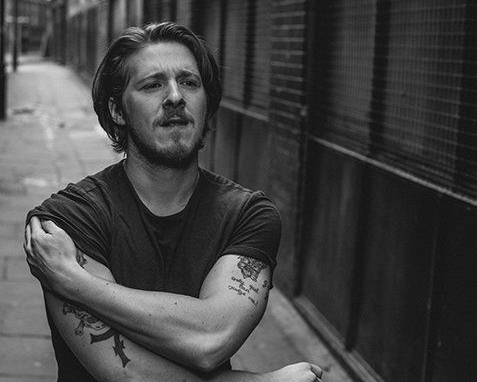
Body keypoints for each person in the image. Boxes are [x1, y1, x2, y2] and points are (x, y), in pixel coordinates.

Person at [24, 22, 323, 382]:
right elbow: (128, 374)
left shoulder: (248, 216)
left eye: (189, 82)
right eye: (152, 85)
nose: (176, 97)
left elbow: (211, 340)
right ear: (117, 111)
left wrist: (76, 283)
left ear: (207, 103)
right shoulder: (68, 220)